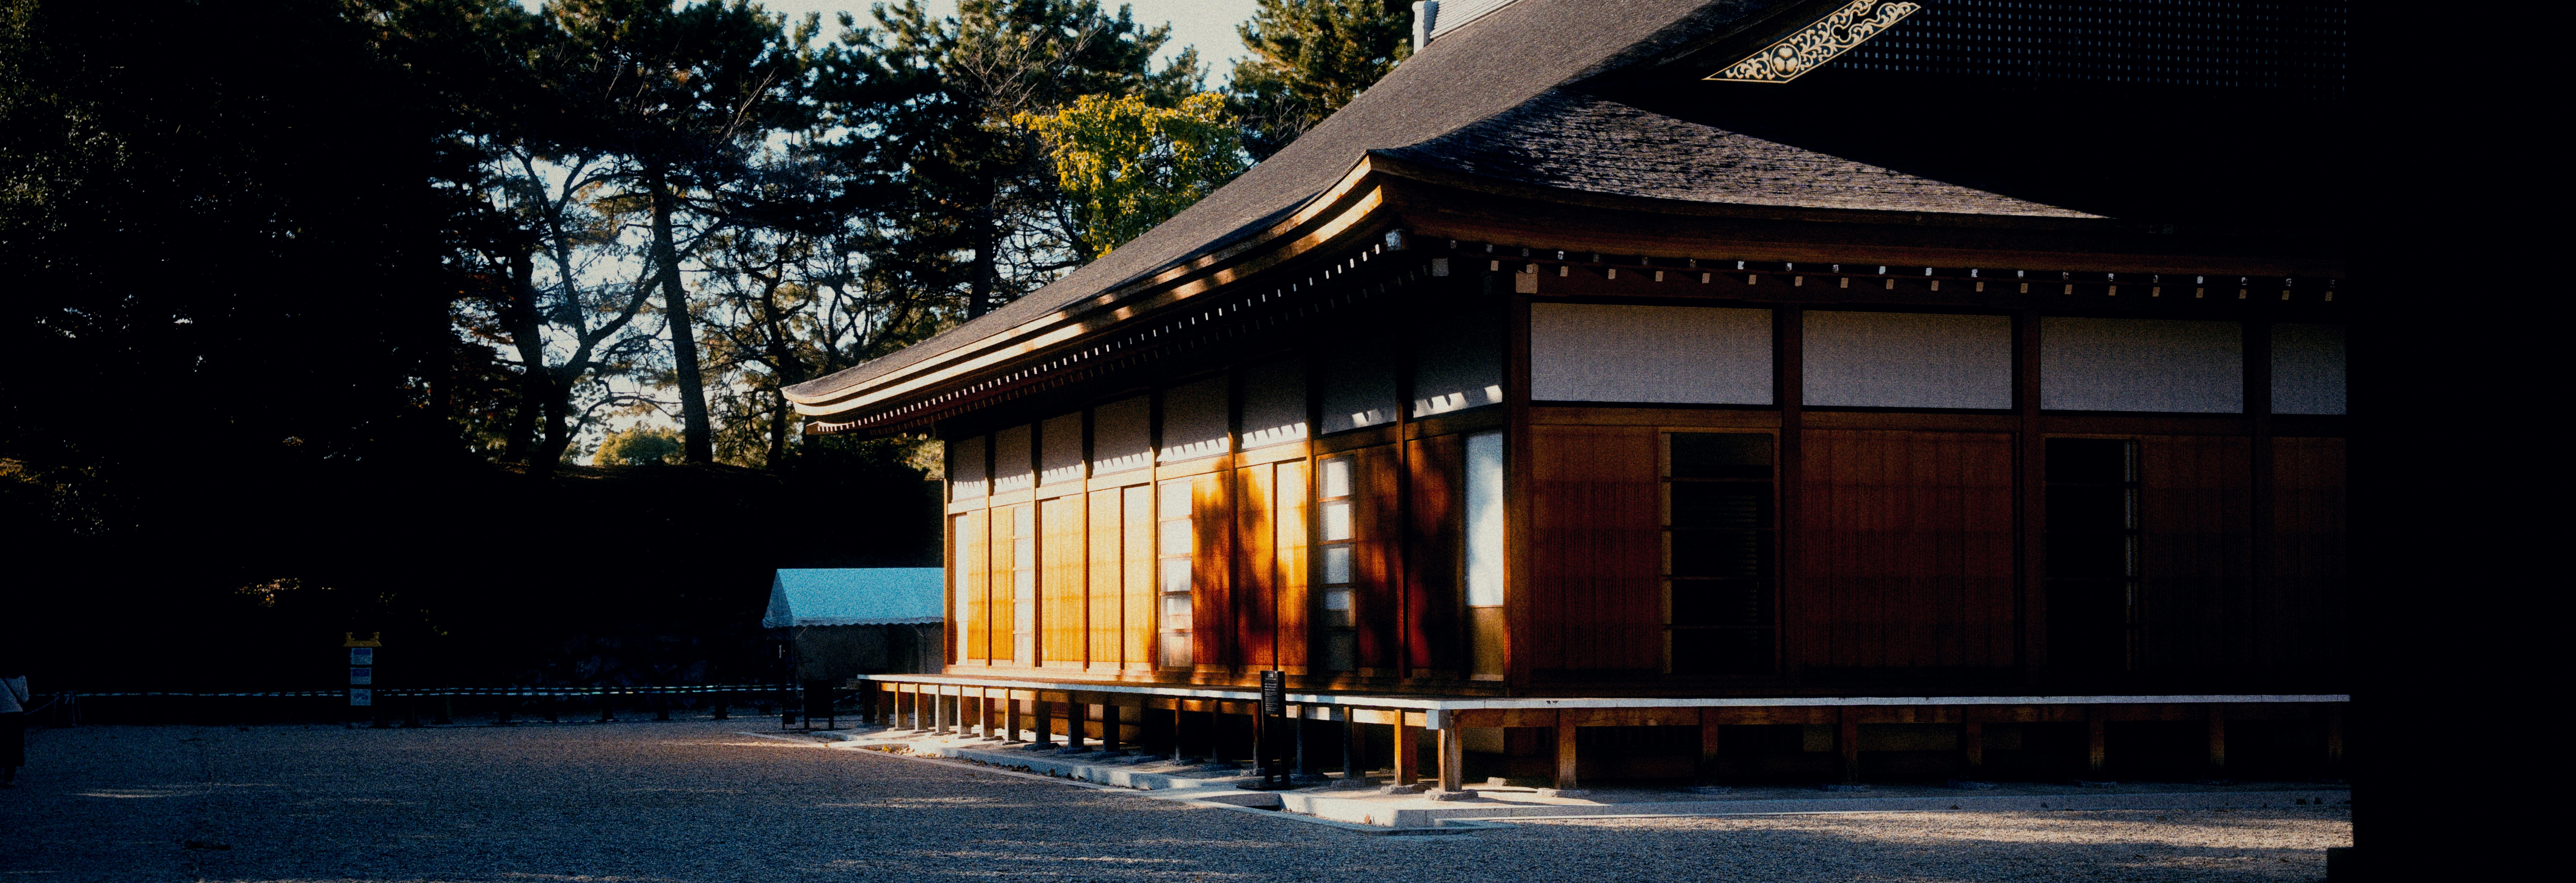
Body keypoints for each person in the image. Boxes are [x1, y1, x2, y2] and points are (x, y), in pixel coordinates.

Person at [0, 666, 25, 788]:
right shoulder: (22, 679)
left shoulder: (1, 680)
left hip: (2, 716)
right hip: (17, 716)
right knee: (15, 747)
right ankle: (9, 779)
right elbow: (25, 699)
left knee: (2, 745)